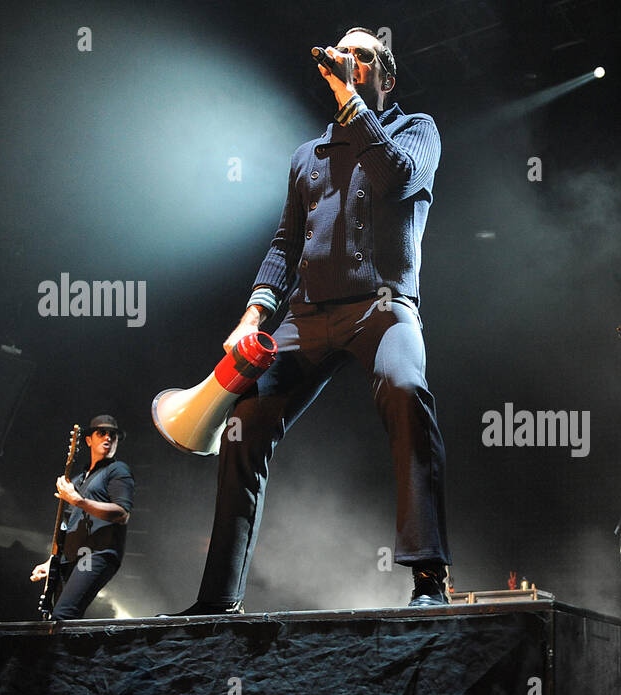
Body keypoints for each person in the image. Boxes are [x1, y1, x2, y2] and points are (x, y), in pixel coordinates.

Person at [173, 26, 451, 614]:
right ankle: (217, 600)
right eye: (343, 53)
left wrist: (350, 102)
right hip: (308, 315)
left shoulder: (416, 131)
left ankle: (429, 577)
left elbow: (396, 178)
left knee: (406, 390)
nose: (348, 61)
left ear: (386, 76)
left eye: (363, 56)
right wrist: (255, 315)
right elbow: (285, 242)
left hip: (383, 307)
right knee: (242, 425)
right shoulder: (308, 155)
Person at [31, 415, 134, 620]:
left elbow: (122, 514)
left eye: (113, 435)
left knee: (64, 614)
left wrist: (79, 501)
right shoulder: (77, 480)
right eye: (101, 433)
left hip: (95, 554)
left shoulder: (117, 470)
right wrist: (52, 560)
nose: (108, 438)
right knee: (53, 615)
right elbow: (69, 525)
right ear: (88, 440)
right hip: (71, 556)